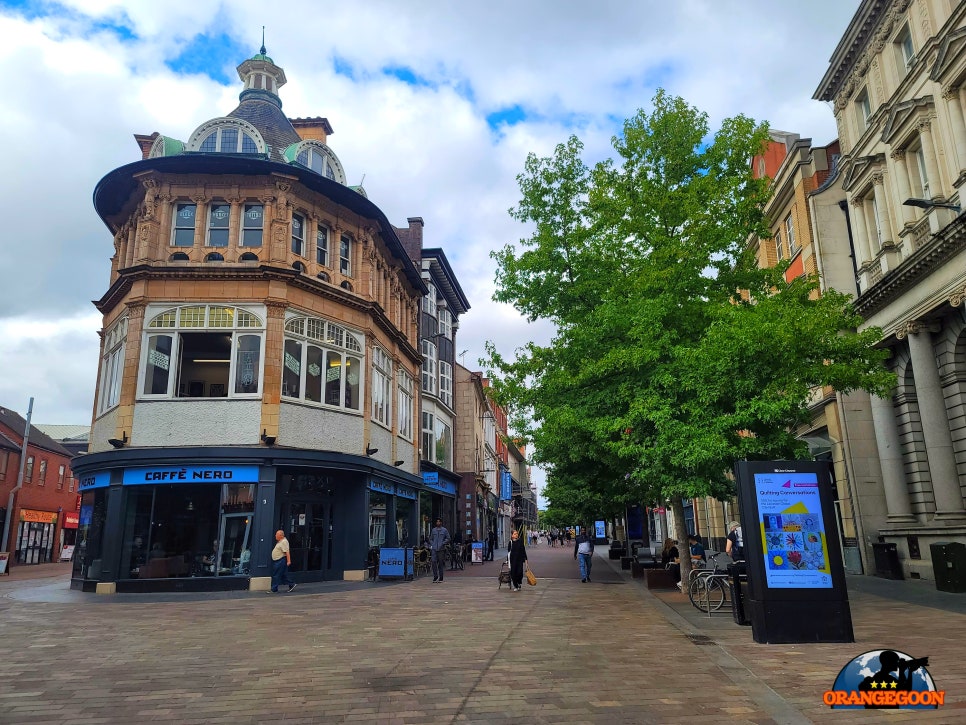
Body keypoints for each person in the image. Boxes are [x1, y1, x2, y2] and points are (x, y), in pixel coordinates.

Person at [428, 518, 450, 583]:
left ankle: (441, 577)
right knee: (433, 562)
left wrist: (443, 543)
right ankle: (435, 576)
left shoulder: (444, 530)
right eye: (437, 522)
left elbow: (448, 538)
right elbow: (431, 538)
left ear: (441, 523)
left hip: (441, 549)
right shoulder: (433, 530)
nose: (438, 523)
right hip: (434, 549)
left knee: (440, 563)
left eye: (439, 522)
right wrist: (432, 544)